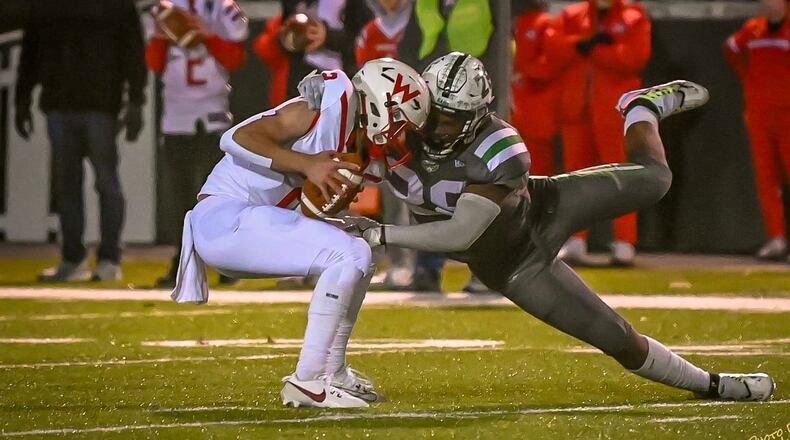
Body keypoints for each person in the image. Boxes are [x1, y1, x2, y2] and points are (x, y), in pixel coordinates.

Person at [299, 53, 775, 402]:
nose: (439, 127)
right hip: (513, 265)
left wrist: (380, 233)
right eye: (435, 113)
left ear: (477, 114)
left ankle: (640, 109)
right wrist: (322, 93)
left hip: (546, 207)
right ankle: (712, 385)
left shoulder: (498, 145)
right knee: (617, 339)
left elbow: (459, 235)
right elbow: (351, 107)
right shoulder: (401, 127)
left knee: (656, 179)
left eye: (453, 119)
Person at [171, 59, 432, 408]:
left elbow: (308, 210)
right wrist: (307, 163)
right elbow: (236, 137)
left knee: (359, 249)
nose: (402, 135)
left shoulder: (361, 153)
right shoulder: (326, 105)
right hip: (224, 217)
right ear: (380, 105)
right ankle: (308, 380)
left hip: (252, 224)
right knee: (347, 253)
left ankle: (332, 372)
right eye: (400, 121)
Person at [15, 0, 147, 281]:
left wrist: (136, 99)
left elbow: (133, 49)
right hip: (66, 101)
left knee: (102, 181)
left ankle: (107, 258)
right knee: (71, 184)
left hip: (98, 102)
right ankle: (76, 258)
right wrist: (22, 99)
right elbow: (32, 50)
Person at [146, 0, 249, 287]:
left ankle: (227, 262)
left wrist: (207, 36)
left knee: (217, 198)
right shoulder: (164, 9)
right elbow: (154, 63)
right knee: (180, 199)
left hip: (212, 115)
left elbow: (235, 59)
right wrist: (160, 36)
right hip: (176, 116)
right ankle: (183, 262)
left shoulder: (224, 8)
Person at [546, 0, 651, 266]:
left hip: (614, 109)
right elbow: (554, 50)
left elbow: (634, 57)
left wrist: (597, 50)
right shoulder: (573, 16)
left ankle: (625, 242)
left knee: (622, 175)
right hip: (576, 106)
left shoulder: (633, 17)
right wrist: (580, 44)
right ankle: (575, 240)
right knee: (575, 177)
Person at [724, 0, 790, 262]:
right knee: (766, 180)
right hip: (760, 113)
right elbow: (731, 51)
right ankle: (776, 238)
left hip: (788, 113)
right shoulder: (753, 29)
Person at [511, 0, 562, 176]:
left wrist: (524, 73)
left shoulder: (546, 22)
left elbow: (552, 63)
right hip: (518, 102)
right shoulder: (519, 22)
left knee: (538, 162)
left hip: (538, 105)